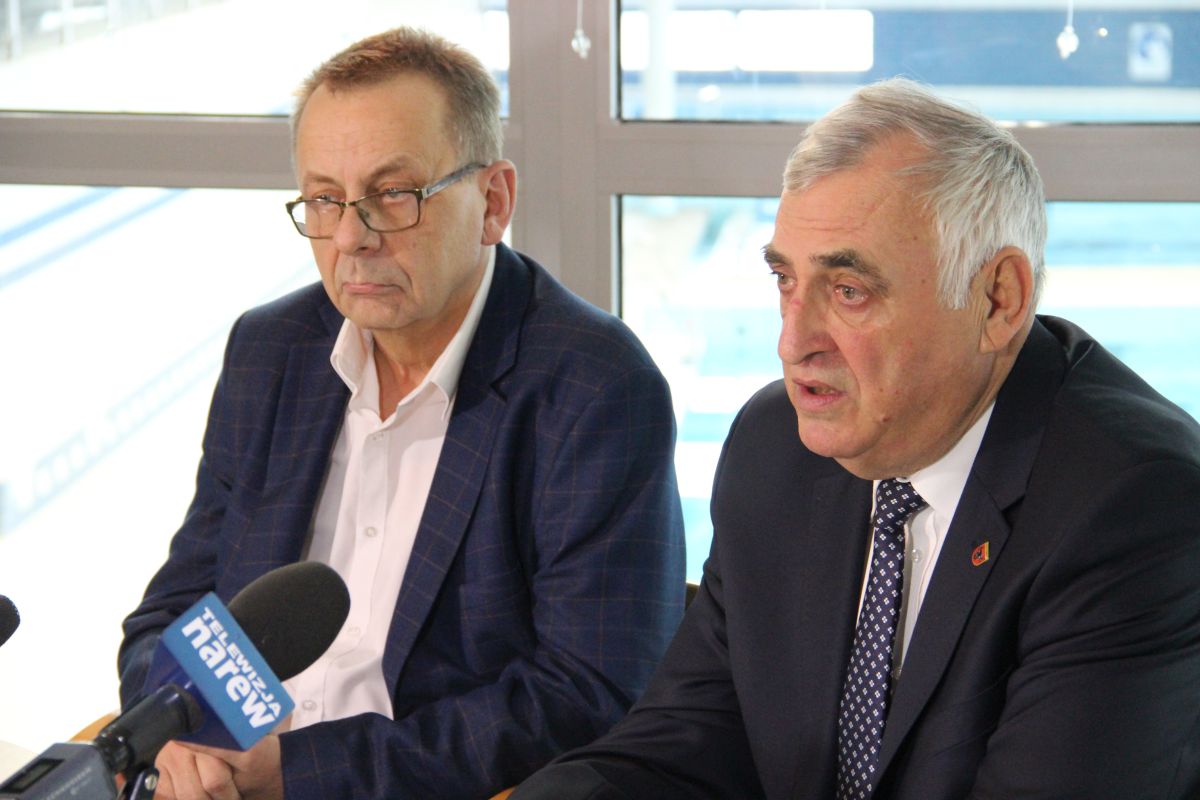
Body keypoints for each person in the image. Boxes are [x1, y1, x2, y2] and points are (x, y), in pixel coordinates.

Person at [511, 78, 1200, 800]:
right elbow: (682, 747)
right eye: (785, 281)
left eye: (849, 291)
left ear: (998, 300)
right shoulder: (775, 447)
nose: (792, 343)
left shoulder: (1132, 506)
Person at [117, 27, 686, 800]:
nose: (353, 238)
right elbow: (172, 612)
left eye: (393, 194)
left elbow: (588, 692)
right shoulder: (270, 350)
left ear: (493, 203)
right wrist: (179, 734)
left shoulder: (594, 386)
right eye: (325, 199)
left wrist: (300, 773)